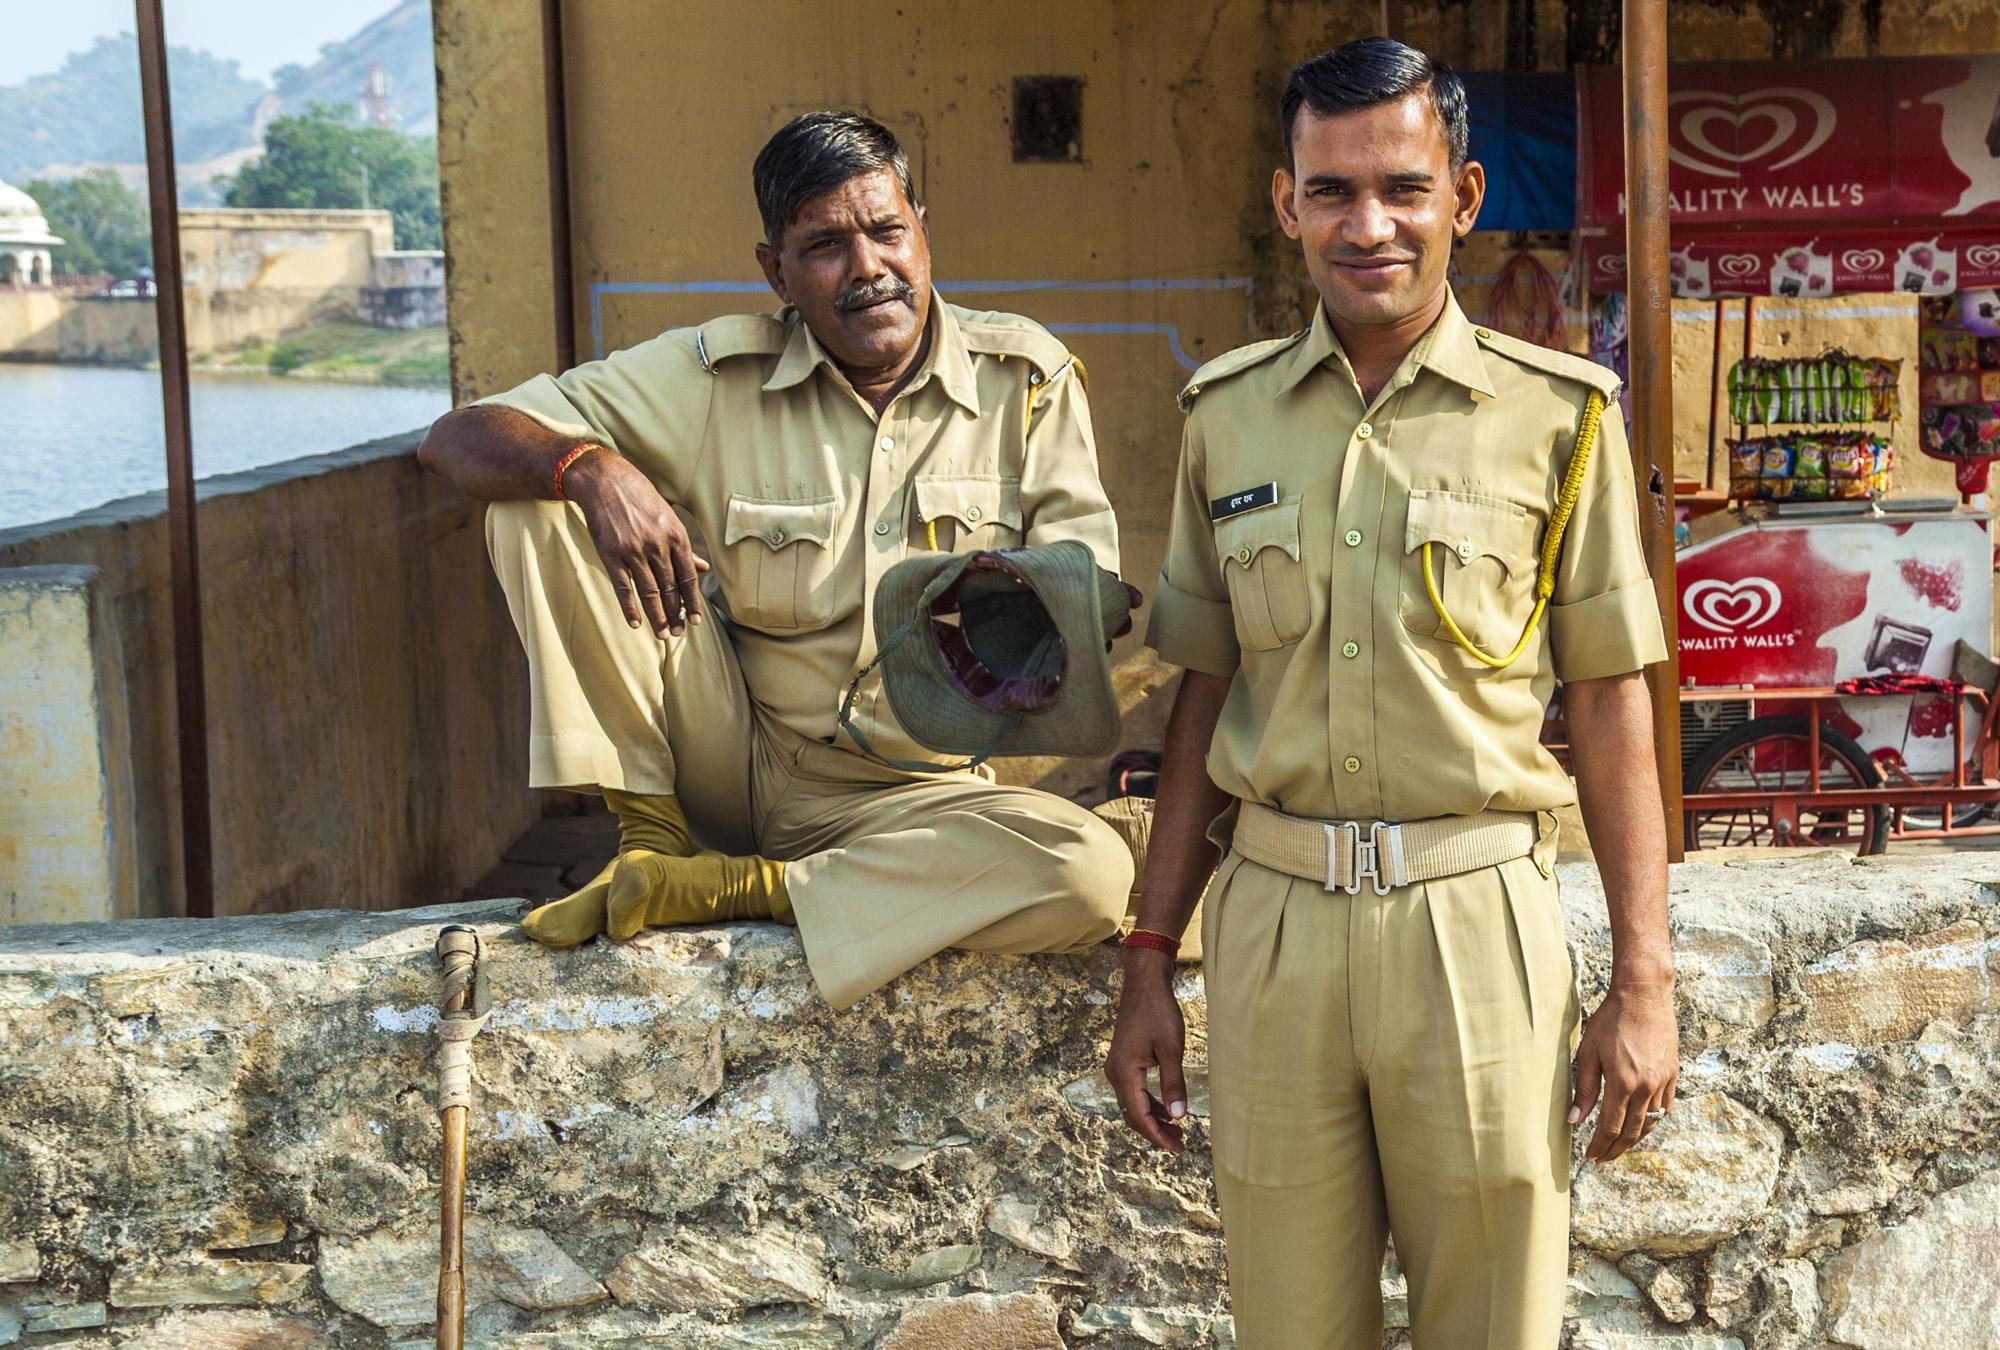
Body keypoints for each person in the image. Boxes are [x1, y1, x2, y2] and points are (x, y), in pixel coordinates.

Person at [1104, 39, 1680, 1349]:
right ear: (1286, 201)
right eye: (1334, 191)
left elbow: (1609, 702)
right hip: (1276, 933)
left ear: (1465, 198)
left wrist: (1645, 974)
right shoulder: (1226, 418)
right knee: (1292, 1327)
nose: (1371, 225)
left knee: (1497, 1324)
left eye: (1405, 188)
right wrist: (1150, 956)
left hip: (1474, 925)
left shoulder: (1563, 418)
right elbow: (1201, 697)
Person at [418, 111, 1132, 1010]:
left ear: (923, 230)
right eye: (826, 245)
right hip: (733, 753)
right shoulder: (716, 379)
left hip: (915, 796)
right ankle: (653, 840)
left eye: (886, 231)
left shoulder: (1026, 383)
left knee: (1092, 872)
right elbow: (458, 437)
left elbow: (1088, 602)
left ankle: (723, 889)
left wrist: (1036, 620)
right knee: (537, 504)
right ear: (777, 273)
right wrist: (586, 467)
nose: (868, 267)